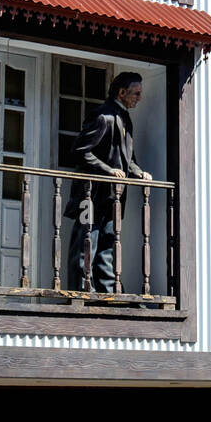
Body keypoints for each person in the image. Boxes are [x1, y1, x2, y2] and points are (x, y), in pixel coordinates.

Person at [64, 71, 153, 293]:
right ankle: (81, 292)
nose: (139, 98)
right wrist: (108, 171)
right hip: (91, 196)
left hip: (113, 197)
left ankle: (106, 292)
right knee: (86, 243)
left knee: (108, 245)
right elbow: (80, 152)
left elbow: (127, 159)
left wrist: (139, 172)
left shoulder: (125, 119)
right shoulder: (103, 116)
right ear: (122, 92)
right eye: (136, 93)